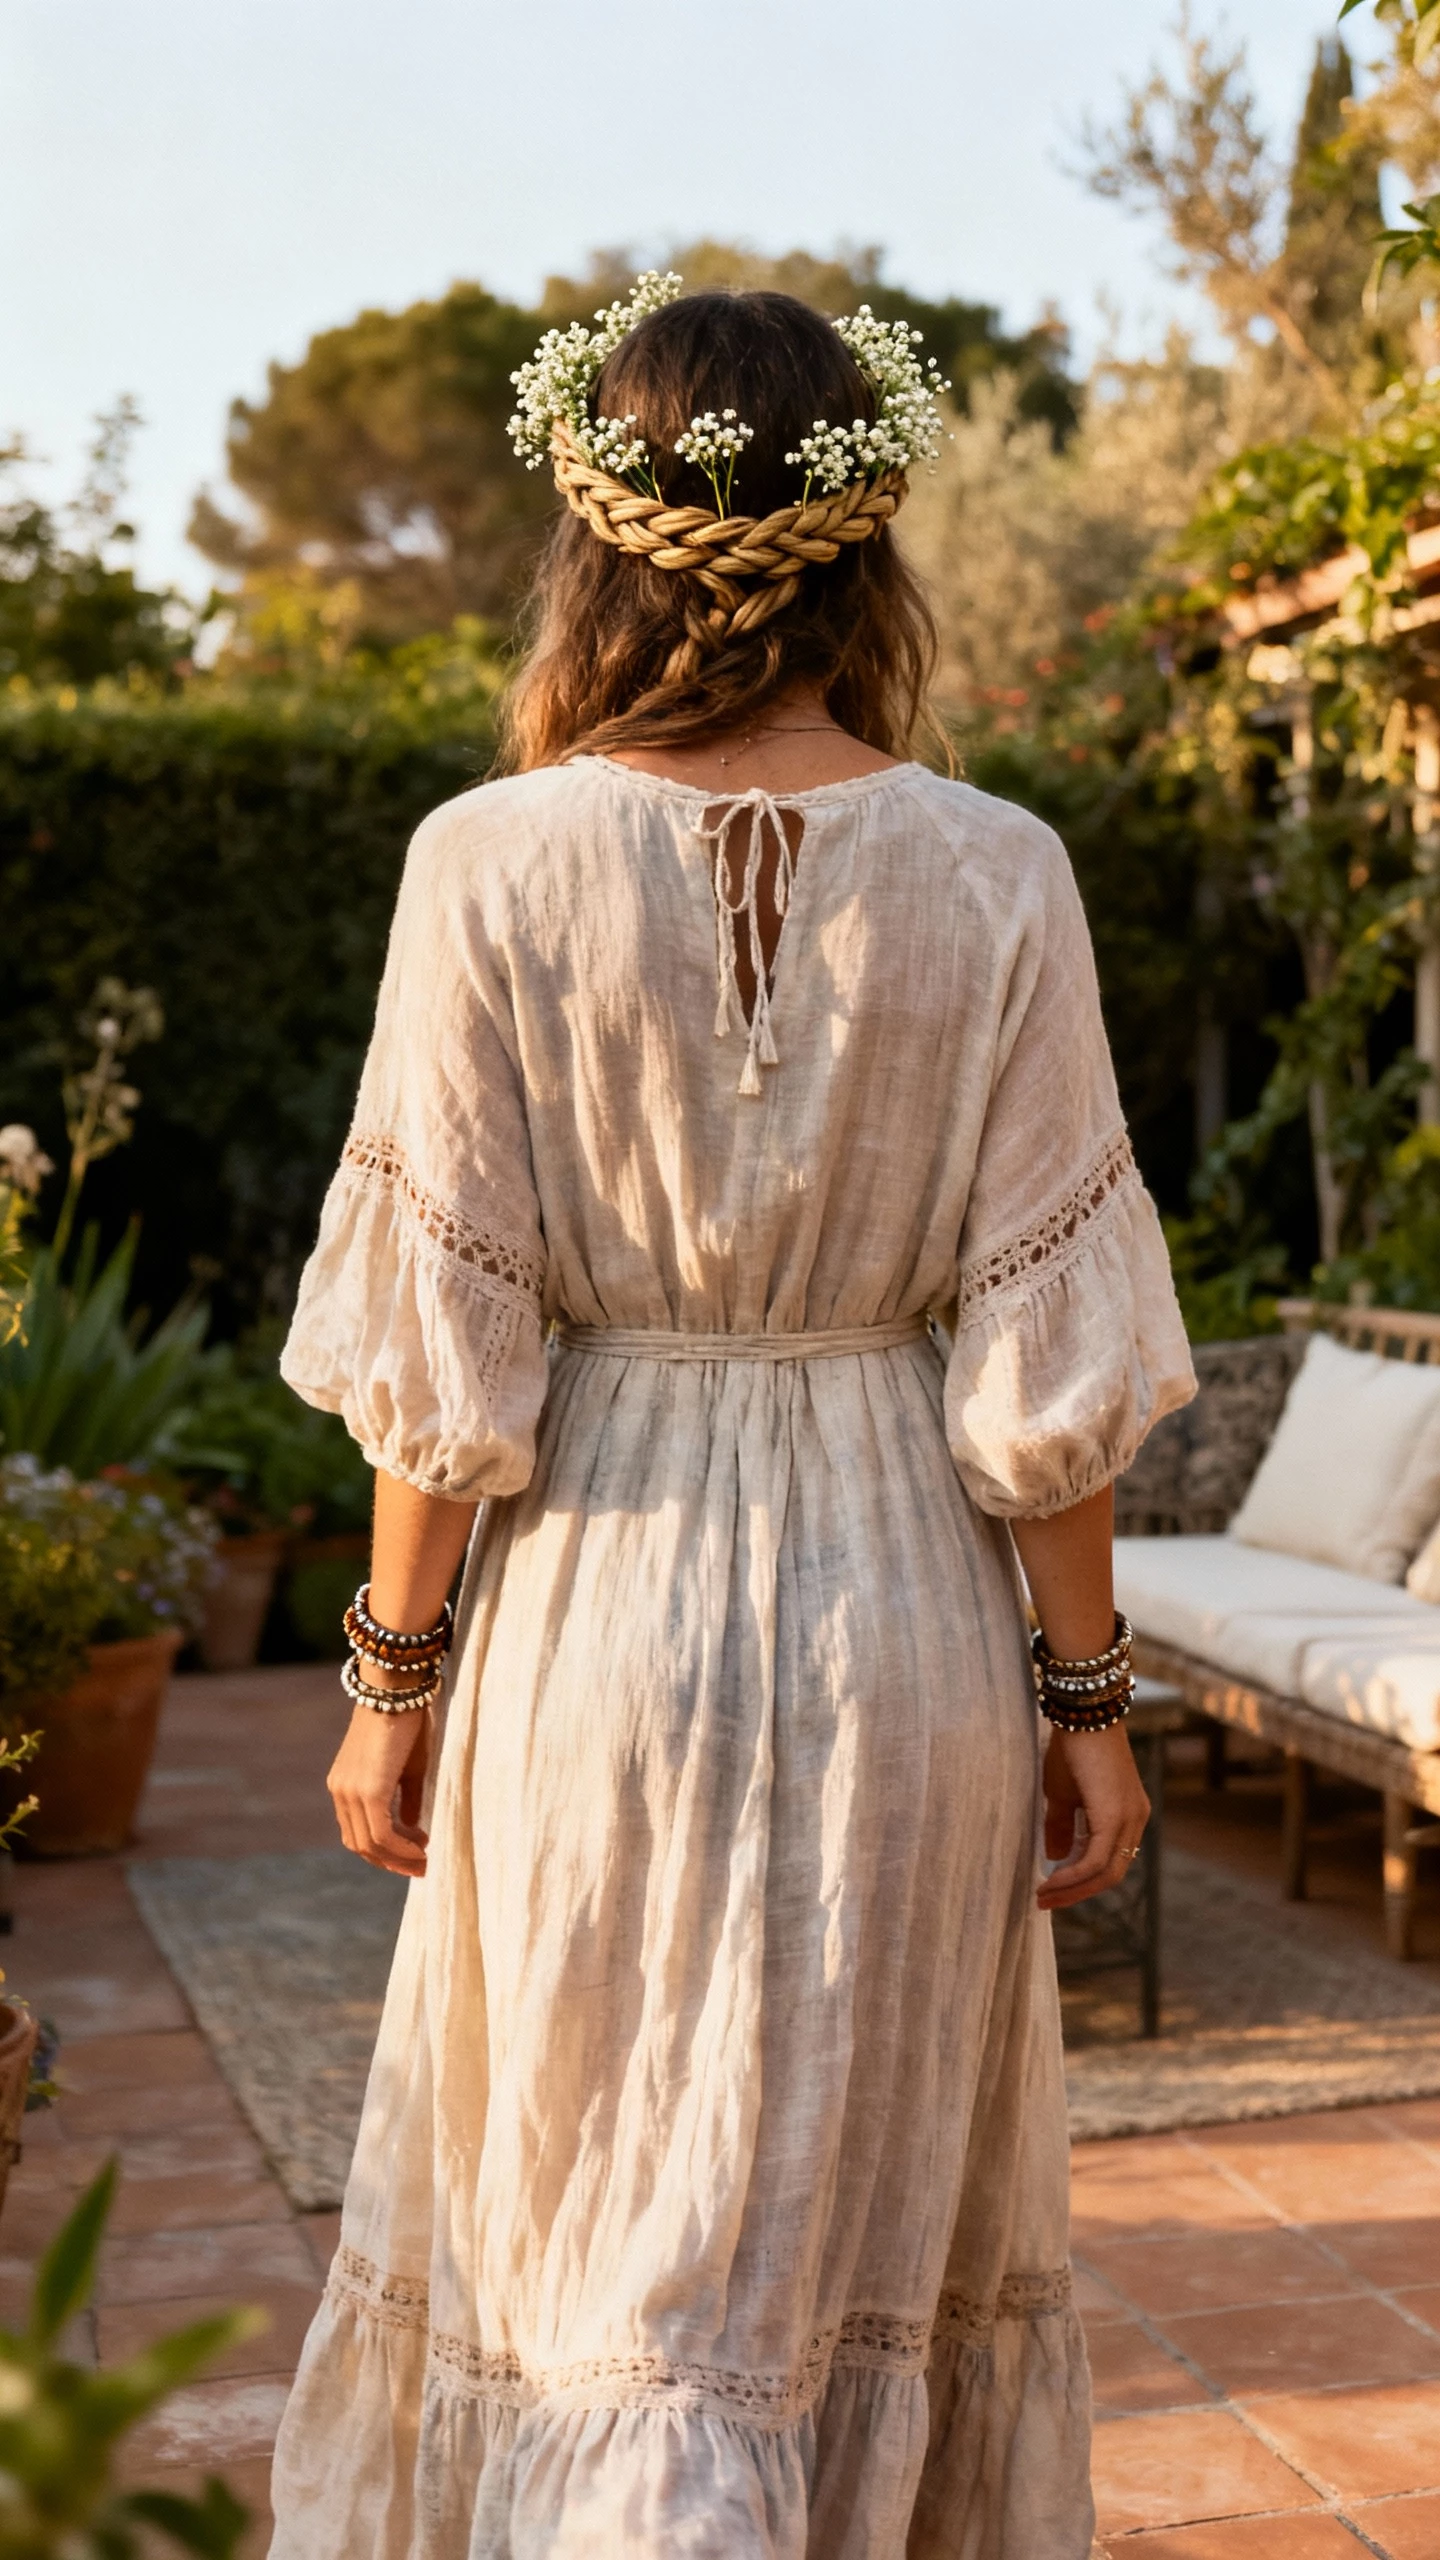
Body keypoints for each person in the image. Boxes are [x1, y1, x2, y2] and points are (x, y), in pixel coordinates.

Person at [267, 278, 1194, 2560]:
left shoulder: (483, 868)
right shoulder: (1001, 874)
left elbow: (442, 1356)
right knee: (843, 2248)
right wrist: (1089, 1696)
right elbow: (1045, 1375)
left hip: (595, 1606)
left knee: (600, 2247)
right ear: (868, 541)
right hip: (909, 1624)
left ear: (596, 536)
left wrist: (394, 1677)